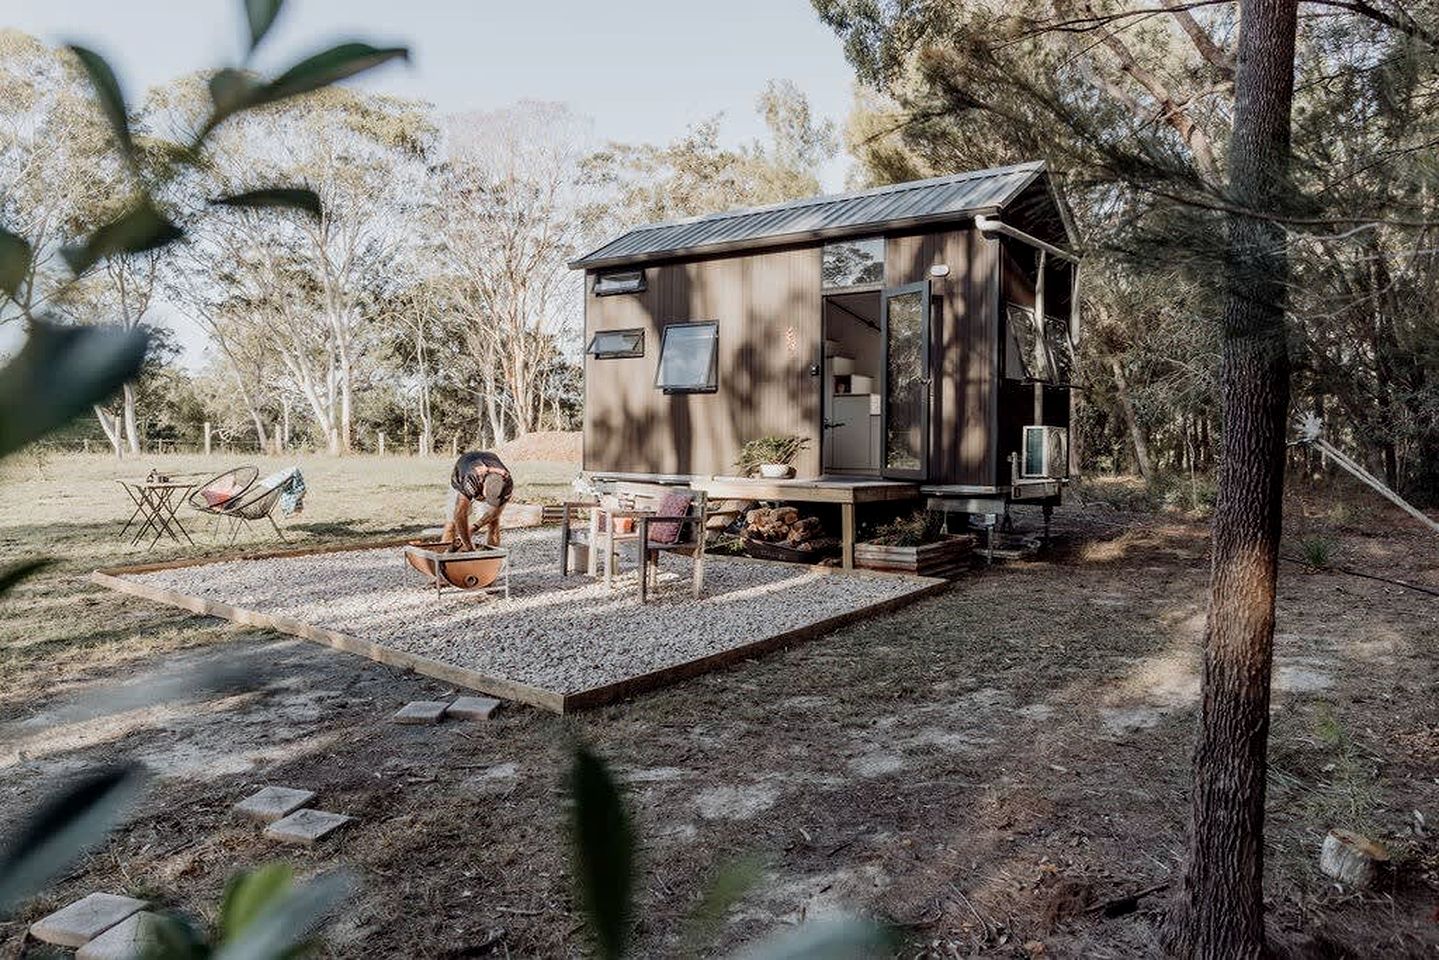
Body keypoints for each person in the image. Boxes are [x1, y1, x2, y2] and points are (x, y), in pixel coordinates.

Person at [441, 450, 514, 552]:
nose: (486, 500)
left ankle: (493, 557)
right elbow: (460, 514)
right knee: (452, 523)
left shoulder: (507, 483)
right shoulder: (470, 479)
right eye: (486, 497)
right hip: (463, 471)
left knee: (493, 522)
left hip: (488, 466)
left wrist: (474, 527)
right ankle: (444, 556)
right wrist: (469, 546)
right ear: (482, 485)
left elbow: (496, 512)